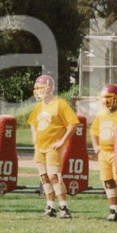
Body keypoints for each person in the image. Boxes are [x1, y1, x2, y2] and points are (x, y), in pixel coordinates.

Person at [27, 74, 79, 219]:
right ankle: (50, 206)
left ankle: (64, 207)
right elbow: (32, 122)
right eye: (37, 88)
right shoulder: (39, 106)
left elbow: (73, 124)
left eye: (42, 88)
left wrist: (62, 141)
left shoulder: (60, 104)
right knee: (44, 177)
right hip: (40, 146)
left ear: (50, 88)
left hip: (52, 147)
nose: (39, 91)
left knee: (54, 176)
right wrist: (34, 137)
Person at [89, 83, 117, 222]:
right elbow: (94, 131)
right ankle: (114, 211)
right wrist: (96, 146)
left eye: (109, 97)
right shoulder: (101, 114)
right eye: (104, 97)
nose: (105, 100)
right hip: (104, 152)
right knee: (108, 181)